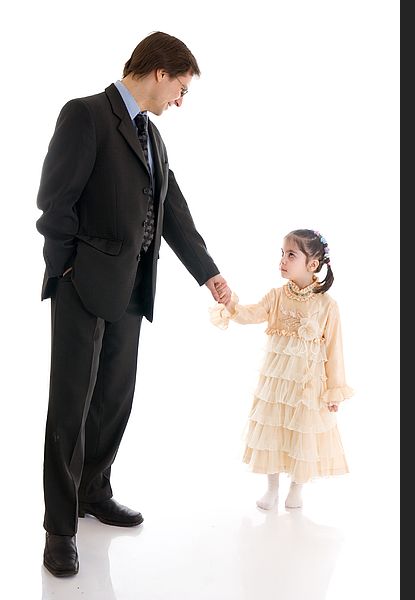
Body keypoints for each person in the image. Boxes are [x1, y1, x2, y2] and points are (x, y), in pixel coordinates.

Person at [36, 31, 230, 577]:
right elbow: (55, 203)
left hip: (131, 290)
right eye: (181, 89)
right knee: (70, 407)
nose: (180, 101)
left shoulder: (153, 138)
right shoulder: (86, 115)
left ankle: (93, 491)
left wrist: (208, 274)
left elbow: (173, 211)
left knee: (115, 399)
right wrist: (66, 270)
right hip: (82, 285)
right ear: (160, 73)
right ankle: (59, 528)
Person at [210, 229, 353, 510]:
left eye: (291, 255)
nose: (283, 260)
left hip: (308, 386)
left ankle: (296, 490)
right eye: (282, 254)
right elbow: (249, 314)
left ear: (312, 264)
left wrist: (334, 391)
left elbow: (335, 351)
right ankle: (272, 489)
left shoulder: (327, 305)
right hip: (277, 385)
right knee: (272, 432)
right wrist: (230, 303)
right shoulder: (276, 297)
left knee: (303, 434)